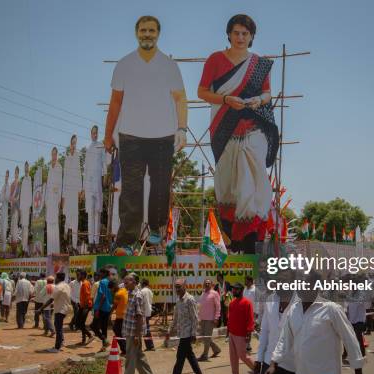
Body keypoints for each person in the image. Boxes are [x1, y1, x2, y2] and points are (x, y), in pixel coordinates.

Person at [104, 15, 187, 251]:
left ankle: (156, 228)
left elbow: (181, 98)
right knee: (131, 188)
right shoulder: (124, 64)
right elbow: (115, 103)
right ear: (136, 33)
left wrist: (182, 128)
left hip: (163, 136)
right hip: (130, 136)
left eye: (151, 30)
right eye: (143, 30)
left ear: (158, 33)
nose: (147, 34)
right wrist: (108, 134)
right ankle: (127, 241)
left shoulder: (169, 66)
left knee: (161, 185)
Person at [197, 14, 278, 254]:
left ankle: (251, 239)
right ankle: (235, 238)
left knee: (253, 182)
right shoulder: (215, 60)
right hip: (224, 129)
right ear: (229, 34)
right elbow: (202, 92)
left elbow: (267, 94)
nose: (240, 37)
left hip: (254, 127)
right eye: (236, 32)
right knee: (227, 184)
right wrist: (225, 99)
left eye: (245, 33)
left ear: (252, 36)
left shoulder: (259, 63)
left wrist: (257, 100)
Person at [267, 273, 368, 374]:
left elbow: (350, 340)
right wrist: (273, 363)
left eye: (306, 284)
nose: (301, 287)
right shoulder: (293, 310)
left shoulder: (332, 309)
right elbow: (284, 340)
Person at [255, 291, 300, 374]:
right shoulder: (270, 299)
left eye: (285, 278)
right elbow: (264, 331)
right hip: (268, 359)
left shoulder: (301, 301)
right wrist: (258, 358)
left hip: (293, 365)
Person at [114, 274, 156, 374]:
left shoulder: (137, 295)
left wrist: (137, 335)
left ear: (133, 282)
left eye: (127, 282)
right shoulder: (131, 294)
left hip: (133, 333)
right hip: (131, 331)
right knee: (138, 356)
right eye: (124, 282)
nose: (124, 284)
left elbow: (139, 316)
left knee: (130, 359)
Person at [164, 278, 203, 374]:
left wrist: (194, 333)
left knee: (180, 358)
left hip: (188, 334)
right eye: (176, 287)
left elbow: (195, 318)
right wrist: (169, 331)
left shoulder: (190, 300)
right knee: (189, 354)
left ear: (185, 287)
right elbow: (175, 318)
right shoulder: (178, 300)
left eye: (179, 286)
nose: (177, 289)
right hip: (181, 333)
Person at [223, 282, 255, 374]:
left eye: (236, 289)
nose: (233, 291)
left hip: (241, 334)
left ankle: (258, 372)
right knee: (233, 357)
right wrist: (228, 331)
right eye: (233, 289)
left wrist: (249, 332)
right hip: (232, 333)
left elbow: (250, 319)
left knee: (243, 356)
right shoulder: (232, 303)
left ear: (241, 290)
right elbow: (230, 318)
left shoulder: (247, 303)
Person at [84, 125, 106, 250]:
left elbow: (104, 163)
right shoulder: (87, 148)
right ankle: (90, 241)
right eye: (93, 133)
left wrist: (105, 176)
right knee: (90, 213)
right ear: (90, 134)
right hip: (88, 184)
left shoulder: (100, 146)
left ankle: (96, 241)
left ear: (98, 133)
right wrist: (83, 186)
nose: (95, 134)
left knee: (97, 212)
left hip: (97, 183)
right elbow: (85, 168)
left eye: (96, 133)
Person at [38, 272, 71, 352]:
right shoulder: (66, 285)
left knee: (58, 327)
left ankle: (57, 347)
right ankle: (61, 342)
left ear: (58, 278)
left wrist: (41, 308)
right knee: (59, 327)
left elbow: (51, 299)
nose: (55, 279)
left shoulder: (58, 287)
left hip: (60, 309)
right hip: (65, 308)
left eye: (56, 278)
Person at [198, 278, 221, 361]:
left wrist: (216, 318)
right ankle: (216, 349)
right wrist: (199, 317)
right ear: (204, 284)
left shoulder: (214, 293)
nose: (207, 284)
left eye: (208, 283)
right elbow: (201, 306)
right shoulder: (203, 293)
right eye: (206, 283)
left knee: (206, 337)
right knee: (205, 337)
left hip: (210, 319)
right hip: (202, 319)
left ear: (211, 284)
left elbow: (218, 307)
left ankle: (205, 355)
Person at [46, 147, 63, 255]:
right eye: (52, 154)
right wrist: (46, 199)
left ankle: (55, 251)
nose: (53, 156)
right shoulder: (49, 168)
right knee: (49, 224)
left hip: (55, 198)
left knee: (54, 224)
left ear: (57, 155)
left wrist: (58, 198)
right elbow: (47, 184)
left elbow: (60, 184)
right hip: (49, 199)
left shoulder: (59, 167)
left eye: (55, 154)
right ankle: (49, 251)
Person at [91, 268, 112, 351]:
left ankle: (104, 339)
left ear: (103, 274)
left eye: (100, 273)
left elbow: (103, 296)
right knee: (104, 327)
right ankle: (104, 346)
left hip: (101, 308)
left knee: (93, 326)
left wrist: (98, 309)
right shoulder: (108, 282)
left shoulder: (102, 282)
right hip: (107, 307)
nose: (99, 274)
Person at [76, 270, 94, 345]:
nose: (78, 276)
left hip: (86, 306)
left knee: (80, 323)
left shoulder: (85, 283)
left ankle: (89, 335)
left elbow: (87, 296)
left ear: (83, 275)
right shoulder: (85, 283)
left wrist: (85, 306)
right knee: (79, 322)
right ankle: (84, 339)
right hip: (83, 305)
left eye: (79, 275)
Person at [112, 279, 128, 355]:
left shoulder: (117, 294)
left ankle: (124, 350)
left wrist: (109, 314)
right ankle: (126, 349)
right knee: (122, 333)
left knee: (117, 332)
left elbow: (115, 306)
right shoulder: (124, 290)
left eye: (111, 289)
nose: (111, 290)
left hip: (120, 316)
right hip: (125, 315)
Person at [20, 162, 33, 255]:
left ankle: (26, 248)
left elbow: (30, 193)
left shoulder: (29, 179)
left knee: (26, 227)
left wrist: (30, 206)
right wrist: (20, 208)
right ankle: (23, 247)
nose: (26, 169)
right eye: (25, 167)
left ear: (29, 168)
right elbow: (21, 195)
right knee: (23, 227)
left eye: (27, 167)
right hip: (22, 206)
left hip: (27, 206)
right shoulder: (23, 179)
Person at [140, 278, 155, 351]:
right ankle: (150, 346)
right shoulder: (149, 291)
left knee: (145, 330)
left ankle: (150, 346)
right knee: (146, 329)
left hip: (144, 312)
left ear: (143, 283)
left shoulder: (142, 291)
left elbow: (141, 302)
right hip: (148, 312)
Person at [243, 275, 257, 351]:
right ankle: (247, 344)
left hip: (252, 312)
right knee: (246, 329)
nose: (245, 282)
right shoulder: (245, 289)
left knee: (252, 329)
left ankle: (261, 342)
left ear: (250, 281)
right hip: (244, 312)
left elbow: (257, 302)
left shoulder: (255, 290)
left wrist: (256, 312)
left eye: (246, 281)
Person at [0, 170, 10, 253]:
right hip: (2, 208)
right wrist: (4, 195)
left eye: (7, 176)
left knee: (4, 228)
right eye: (5, 176)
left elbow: (6, 197)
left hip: (6, 209)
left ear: (8, 177)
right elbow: (1, 198)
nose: (6, 177)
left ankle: (4, 249)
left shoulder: (8, 186)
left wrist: (4, 194)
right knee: (1, 228)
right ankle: (1, 249)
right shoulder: (3, 186)